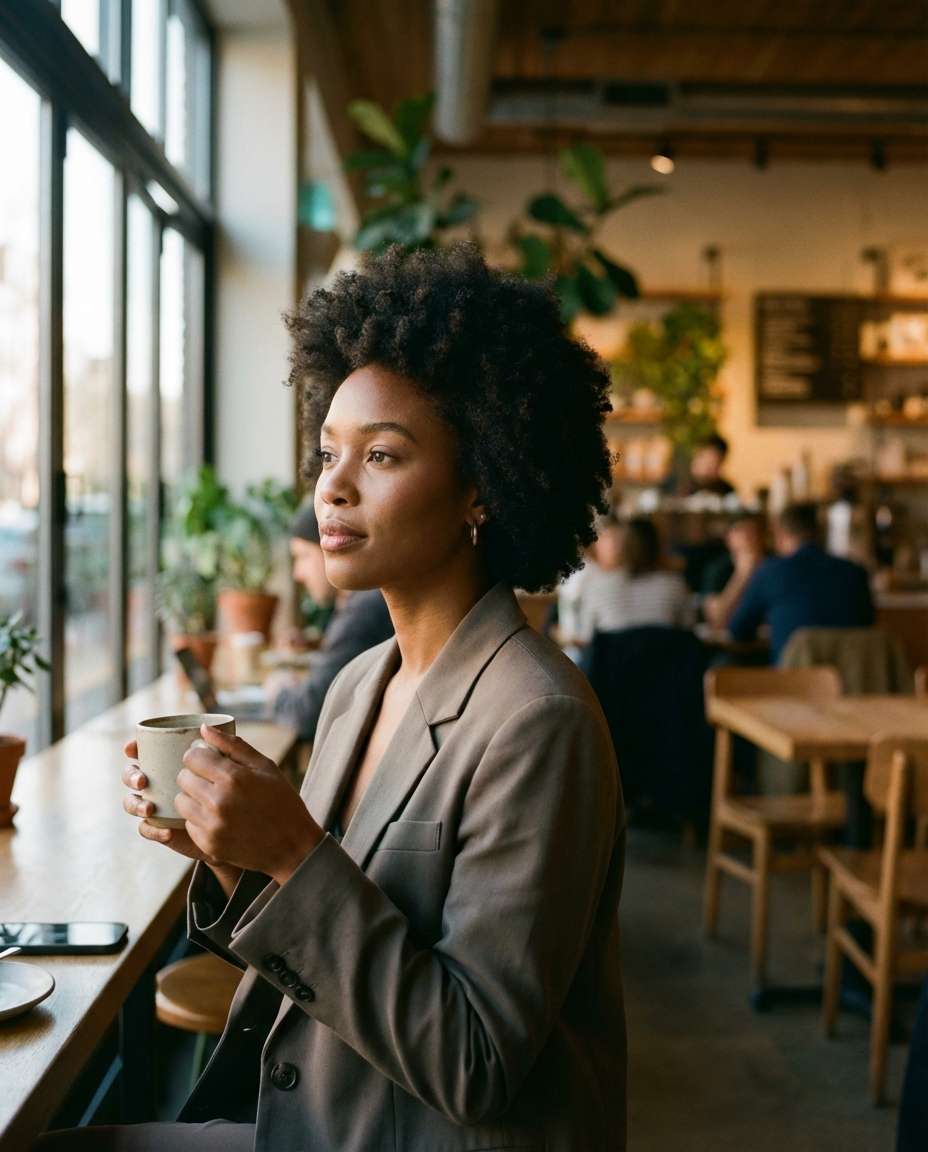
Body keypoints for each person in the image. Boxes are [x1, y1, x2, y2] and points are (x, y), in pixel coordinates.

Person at [37, 246, 626, 1150]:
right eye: (327, 453)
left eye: (381, 455)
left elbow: (476, 1063)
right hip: (324, 1116)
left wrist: (293, 853)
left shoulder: (536, 719)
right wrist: (234, 855)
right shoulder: (362, 681)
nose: (332, 487)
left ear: (482, 486)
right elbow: (327, 930)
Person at [267, 502, 394, 742]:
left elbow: (306, 714)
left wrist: (278, 693)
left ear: (331, 546)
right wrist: (316, 646)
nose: (297, 574)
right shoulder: (363, 600)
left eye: (302, 557)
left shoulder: (362, 611)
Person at [728, 501, 875, 662]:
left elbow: (738, 630)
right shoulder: (855, 572)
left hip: (793, 682)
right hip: (851, 680)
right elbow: (867, 626)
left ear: (780, 534)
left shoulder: (771, 571)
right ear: (821, 532)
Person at [573, 516, 693, 642]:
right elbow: (688, 632)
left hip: (614, 660)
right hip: (664, 660)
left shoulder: (597, 587)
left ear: (622, 547)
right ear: (659, 546)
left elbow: (586, 639)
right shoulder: (675, 585)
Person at [701, 513, 767, 630]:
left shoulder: (773, 567)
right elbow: (716, 620)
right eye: (741, 530)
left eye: (753, 531)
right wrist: (742, 574)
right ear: (728, 538)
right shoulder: (718, 569)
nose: (748, 536)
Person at [663, 431, 735, 499]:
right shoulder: (676, 484)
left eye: (713, 463)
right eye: (704, 458)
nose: (707, 467)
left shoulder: (725, 491)